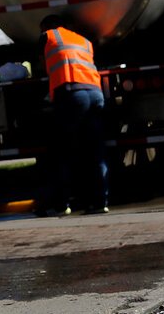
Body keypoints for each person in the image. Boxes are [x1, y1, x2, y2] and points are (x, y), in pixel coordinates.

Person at [38, 14, 108, 215]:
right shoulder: (84, 41)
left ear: (47, 27)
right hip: (95, 93)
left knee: (61, 150)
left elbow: (45, 66)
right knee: (96, 150)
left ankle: (62, 205)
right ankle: (100, 202)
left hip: (72, 93)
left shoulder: (48, 36)